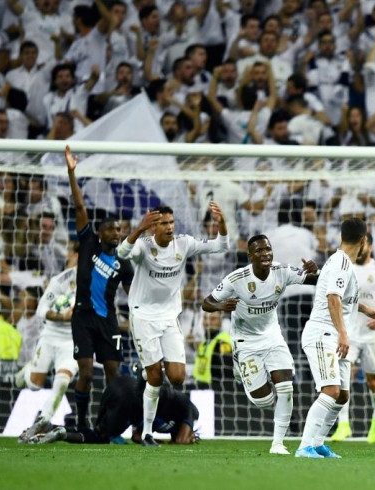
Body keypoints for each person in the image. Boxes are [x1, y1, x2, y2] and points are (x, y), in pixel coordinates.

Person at [117, 203, 230, 446]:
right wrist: (138, 230)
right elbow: (122, 253)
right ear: (153, 226)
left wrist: (221, 224)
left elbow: (221, 245)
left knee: (177, 377)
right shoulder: (144, 247)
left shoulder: (184, 243)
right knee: (155, 376)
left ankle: (155, 396)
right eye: (163, 223)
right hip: (143, 316)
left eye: (171, 222)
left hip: (169, 317)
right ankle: (147, 431)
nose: (169, 227)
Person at [202, 234, 319, 455]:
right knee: (263, 401)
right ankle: (240, 369)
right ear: (250, 256)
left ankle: (278, 444)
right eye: (259, 251)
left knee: (285, 387)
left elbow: (314, 280)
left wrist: (316, 270)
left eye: (268, 249)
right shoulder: (236, 279)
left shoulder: (281, 271)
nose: (265, 254)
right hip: (245, 340)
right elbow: (206, 303)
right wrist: (221, 307)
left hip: (272, 335)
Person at [296, 218, 375, 458]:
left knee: (343, 395)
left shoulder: (338, 261)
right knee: (330, 390)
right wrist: (344, 334)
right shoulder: (342, 264)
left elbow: (346, 299)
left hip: (334, 335)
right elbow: (333, 298)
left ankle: (317, 443)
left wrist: (368, 310)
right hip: (323, 334)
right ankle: (304, 446)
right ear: (363, 240)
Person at [65, 146, 134, 431]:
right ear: (100, 233)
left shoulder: (124, 263)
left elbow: (133, 296)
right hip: (82, 317)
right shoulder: (89, 244)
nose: (116, 234)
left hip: (108, 322)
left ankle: (109, 424)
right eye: (112, 230)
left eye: (119, 230)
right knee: (84, 373)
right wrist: (72, 172)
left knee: (113, 374)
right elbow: (80, 207)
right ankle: (82, 422)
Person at [332, 233, 375, 443]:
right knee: (343, 378)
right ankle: (343, 425)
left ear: (369, 247)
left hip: (372, 335)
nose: (359, 250)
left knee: (373, 382)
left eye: (362, 246)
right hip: (348, 333)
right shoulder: (344, 269)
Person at [29, 374, 198, 445]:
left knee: (98, 432)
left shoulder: (158, 422)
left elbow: (137, 436)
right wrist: (185, 440)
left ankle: (51, 428)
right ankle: (59, 432)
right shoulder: (188, 408)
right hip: (131, 396)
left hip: (120, 387)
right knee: (99, 438)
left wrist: (156, 441)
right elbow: (182, 440)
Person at [15, 261, 78, 442]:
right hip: (50, 335)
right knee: (35, 385)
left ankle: (44, 419)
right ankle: (29, 370)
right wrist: (61, 317)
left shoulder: (97, 281)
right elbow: (41, 310)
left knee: (63, 380)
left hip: (72, 340)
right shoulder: (62, 280)